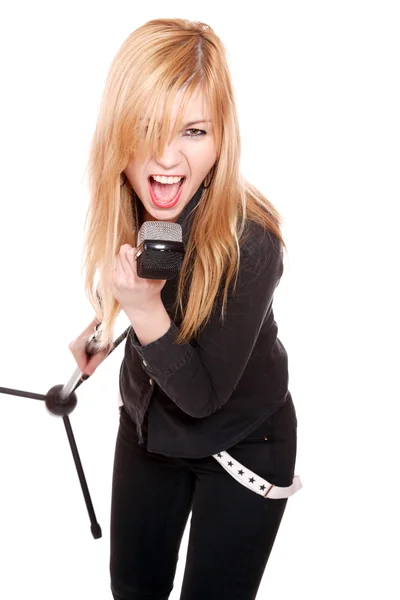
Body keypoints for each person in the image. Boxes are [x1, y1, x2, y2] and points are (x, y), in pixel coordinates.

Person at [69, 18, 302, 600]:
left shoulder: (254, 243)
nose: (167, 157)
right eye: (146, 128)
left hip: (241, 443)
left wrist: (144, 311)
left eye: (193, 130)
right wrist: (105, 324)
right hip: (148, 429)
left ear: (222, 136)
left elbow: (202, 398)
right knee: (133, 587)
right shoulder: (128, 195)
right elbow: (141, 284)